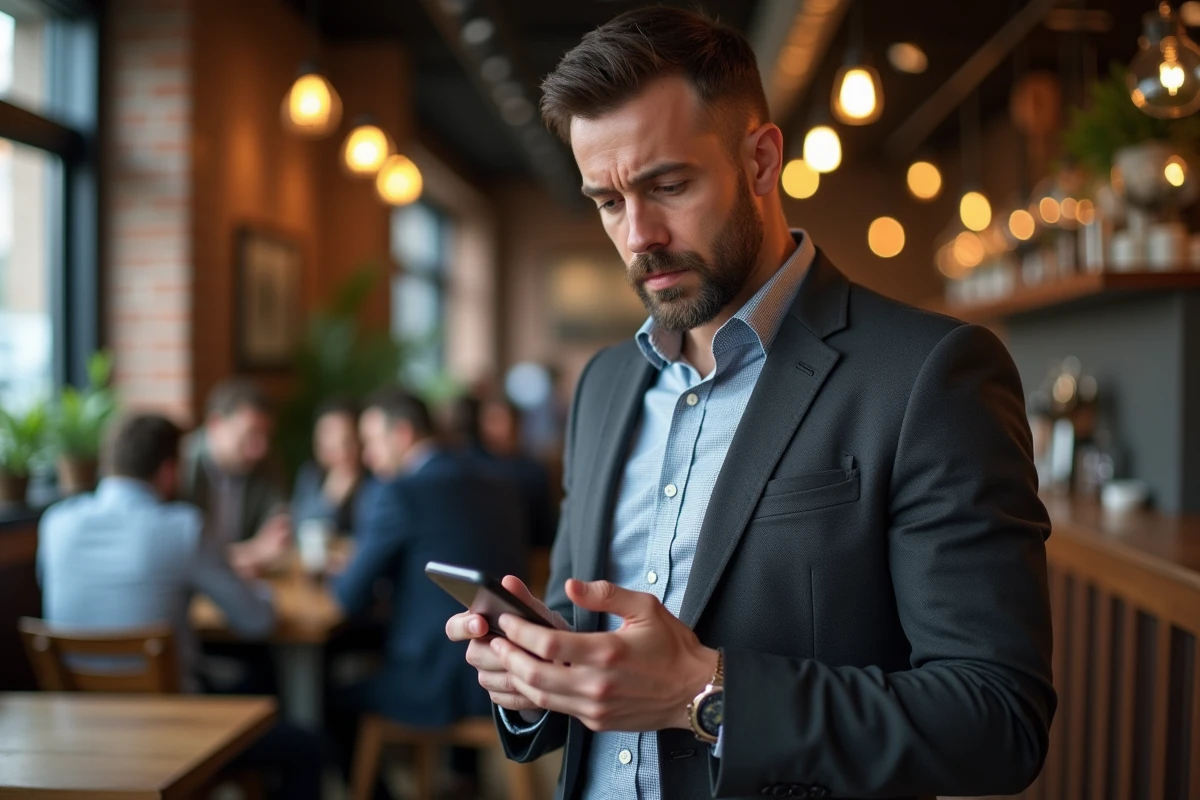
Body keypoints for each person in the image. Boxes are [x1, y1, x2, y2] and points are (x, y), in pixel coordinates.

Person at [446, 8, 1055, 800]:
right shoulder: (602, 387)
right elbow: (586, 651)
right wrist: (536, 675)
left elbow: (998, 720)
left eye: (669, 185)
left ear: (763, 160)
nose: (639, 236)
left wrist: (704, 694)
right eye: (607, 202)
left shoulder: (930, 375)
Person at [38, 413, 322, 800]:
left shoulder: (55, 524)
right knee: (308, 749)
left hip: (79, 733)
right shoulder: (182, 527)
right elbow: (257, 622)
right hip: (170, 734)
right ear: (170, 470)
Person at [332, 387, 527, 797]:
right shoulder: (500, 484)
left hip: (435, 683)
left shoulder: (399, 493)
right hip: (504, 675)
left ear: (402, 434)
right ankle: (463, 779)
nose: (367, 457)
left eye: (371, 442)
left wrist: (337, 571)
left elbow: (348, 597)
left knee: (331, 700)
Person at [181, 378, 291, 577]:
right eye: (251, 434)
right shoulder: (182, 464)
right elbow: (183, 553)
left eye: (266, 436)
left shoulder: (266, 463)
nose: (260, 448)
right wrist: (254, 551)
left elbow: (279, 530)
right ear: (215, 424)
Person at [450, 392, 557, 550]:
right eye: (495, 421)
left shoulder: (533, 471)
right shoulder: (468, 467)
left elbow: (545, 530)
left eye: (508, 420)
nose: (504, 427)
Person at [292, 396, 363, 535]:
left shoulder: (374, 478)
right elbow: (298, 528)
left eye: (347, 440)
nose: (340, 450)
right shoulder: (311, 475)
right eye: (326, 436)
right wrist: (330, 500)